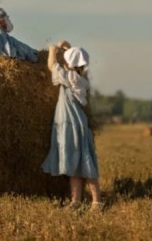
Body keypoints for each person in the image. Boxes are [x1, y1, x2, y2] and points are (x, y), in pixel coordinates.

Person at [42, 40, 103, 211]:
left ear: (68, 63)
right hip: (76, 122)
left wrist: (52, 50)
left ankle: (97, 201)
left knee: (84, 162)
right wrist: (68, 49)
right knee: (76, 164)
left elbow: (51, 65)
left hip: (69, 123)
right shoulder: (80, 77)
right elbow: (75, 63)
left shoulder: (69, 77)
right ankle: (75, 201)